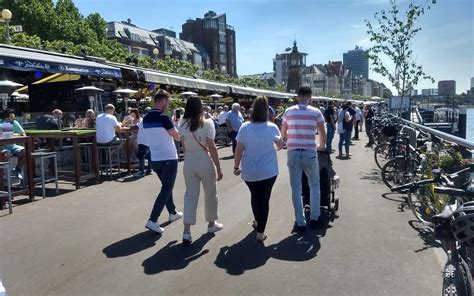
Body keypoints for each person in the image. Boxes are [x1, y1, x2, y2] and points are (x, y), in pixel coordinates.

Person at [234, 96, 284, 242]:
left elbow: (238, 150)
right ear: (267, 111)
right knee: (264, 200)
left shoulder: (245, 127)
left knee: (255, 197)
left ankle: (257, 220)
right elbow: (280, 145)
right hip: (269, 171)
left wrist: (236, 166)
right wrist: (274, 147)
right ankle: (260, 232)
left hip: (250, 171)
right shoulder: (272, 127)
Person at [280, 86, 326, 234]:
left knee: (296, 189)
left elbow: (283, 133)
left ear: (297, 96)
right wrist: (321, 146)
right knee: (314, 185)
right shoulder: (316, 112)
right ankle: (315, 218)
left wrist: (291, 138)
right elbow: (322, 132)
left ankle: (300, 223)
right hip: (310, 153)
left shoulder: (288, 111)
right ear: (310, 97)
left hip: (293, 152)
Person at [178, 97, 224, 244]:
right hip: (204, 160)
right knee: (210, 193)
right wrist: (219, 167)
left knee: (190, 196)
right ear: (200, 107)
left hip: (189, 161)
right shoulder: (207, 123)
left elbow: (183, 146)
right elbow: (211, 146)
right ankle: (211, 224)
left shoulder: (182, 124)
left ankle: (186, 231)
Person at [141, 90, 183, 234]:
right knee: (166, 188)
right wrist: (176, 126)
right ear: (163, 101)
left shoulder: (145, 118)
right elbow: (177, 137)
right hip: (168, 158)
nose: (169, 104)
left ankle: (172, 212)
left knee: (166, 187)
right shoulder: (164, 117)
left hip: (155, 159)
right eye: (168, 101)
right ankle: (153, 219)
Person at [1, 109, 26, 179]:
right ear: (7, 118)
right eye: (12, 116)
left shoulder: (15, 123)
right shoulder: (1, 123)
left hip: (13, 146)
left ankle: (17, 169)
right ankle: (3, 176)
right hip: (2, 146)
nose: (14, 117)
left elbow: (23, 134)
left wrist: (14, 135)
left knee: (26, 152)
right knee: (5, 155)